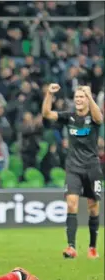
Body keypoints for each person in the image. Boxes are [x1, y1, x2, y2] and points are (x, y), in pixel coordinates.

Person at [42, 83, 103, 259]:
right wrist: (49, 94)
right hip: (73, 167)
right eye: (76, 97)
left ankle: (92, 247)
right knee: (71, 204)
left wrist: (90, 96)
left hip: (92, 167)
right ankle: (71, 247)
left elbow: (99, 118)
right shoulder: (68, 117)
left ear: (87, 99)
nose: (78, 100)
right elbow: (47, 114)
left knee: (93, 207)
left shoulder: (94, 117)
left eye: (81, 97)